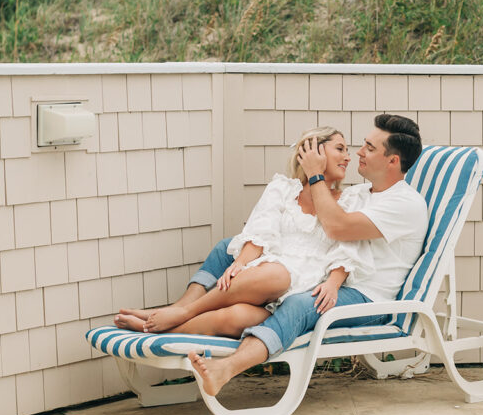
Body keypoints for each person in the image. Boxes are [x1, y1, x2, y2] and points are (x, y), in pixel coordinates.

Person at [186, 113, 429, 396]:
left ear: (392, 161)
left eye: (370, 148)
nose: (359, 153)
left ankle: (226, 368)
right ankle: (178, 312)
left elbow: (337, 227)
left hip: (365, 295)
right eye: (363, 145)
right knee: (230, 247)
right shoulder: (365, 192)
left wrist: (315, 174)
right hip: (332, 278)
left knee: (301, 305)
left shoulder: (404, 204)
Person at [114, 127, 373, 336]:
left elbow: (348, 245)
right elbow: (261, 232)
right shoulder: (282, 189)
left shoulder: (351, 199)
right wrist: (239, 264)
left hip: (306, 283)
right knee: (274, 274)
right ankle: (179, 313)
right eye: (340, 148)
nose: (348, 157)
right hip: (268, 275)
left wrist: (333, 283)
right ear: (312, 152)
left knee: (236, 317)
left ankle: (170, 322)